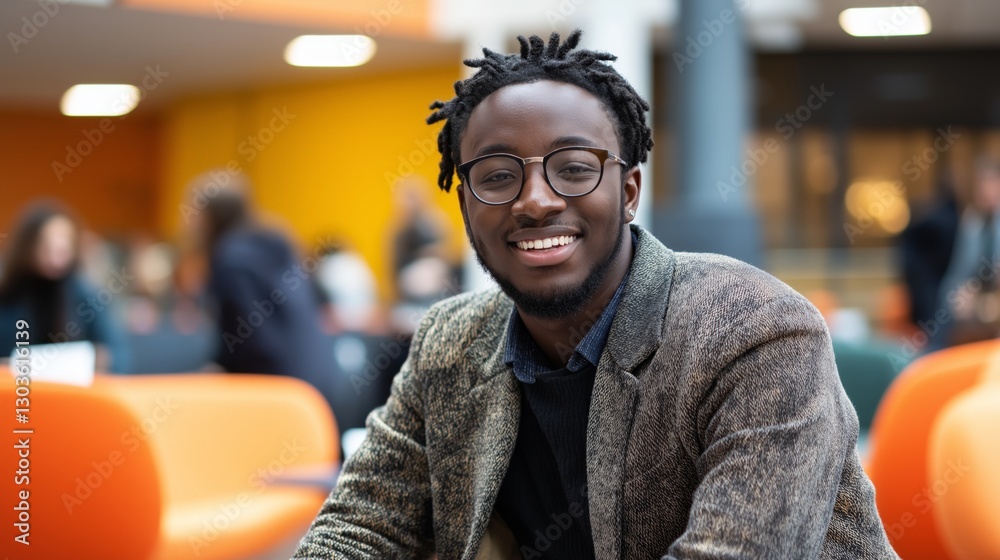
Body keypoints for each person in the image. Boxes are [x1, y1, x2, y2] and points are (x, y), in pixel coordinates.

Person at [295, 31, 897, 559]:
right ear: (465, 206)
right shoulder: (448, 340)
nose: (535, 201)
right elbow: (360, 530)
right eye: (498, 176)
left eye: (575, 167)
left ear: (629, 191)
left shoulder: (755, 332)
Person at [191, 173, 349, 425]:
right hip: (321, 391)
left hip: (279, 399)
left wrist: (214, 370)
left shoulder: (230, 259)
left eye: (194, 213)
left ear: (210, 217)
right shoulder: (279, 243)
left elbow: (243, 341)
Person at [0, 201, 130, 373]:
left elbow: (119, 357)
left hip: (73, 393)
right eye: (46, 243)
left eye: (64, 241)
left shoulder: (89, 296)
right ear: (27, 245)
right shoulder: (8, 294)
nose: (57, 250)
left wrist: (99, 362)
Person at [935, 156, 1000, 346]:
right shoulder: (972, 222)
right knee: (947, 319)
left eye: (990, 182)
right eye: (980, 183)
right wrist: (958, 296)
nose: (984, 190)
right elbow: (957, 273)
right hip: (977, 308)